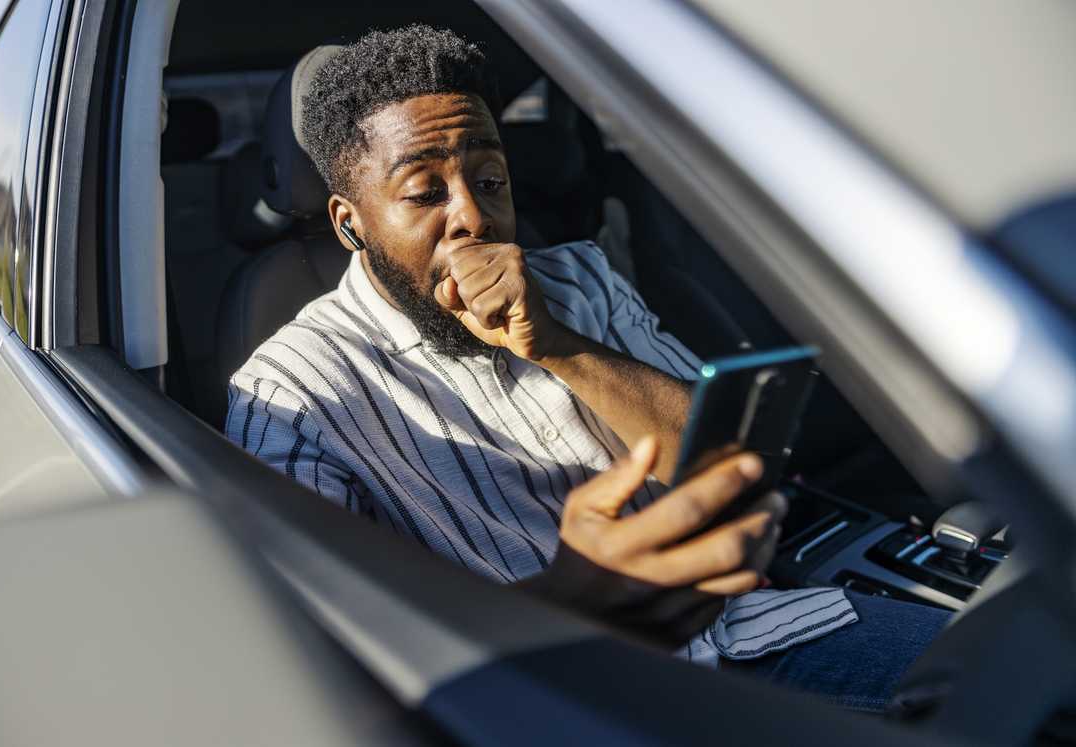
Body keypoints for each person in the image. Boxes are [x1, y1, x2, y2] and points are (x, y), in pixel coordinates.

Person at [226, 25, 949, 710]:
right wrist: (573, 607)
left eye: (491, 179)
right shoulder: (293, 390)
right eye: (425, 192)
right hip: (538, 701)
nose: (473, 217)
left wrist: (559, 346)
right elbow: (316, 663)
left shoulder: (579, 278)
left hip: (750, 636)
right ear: (350, 222)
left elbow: (728, 462)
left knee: (1023, 673)